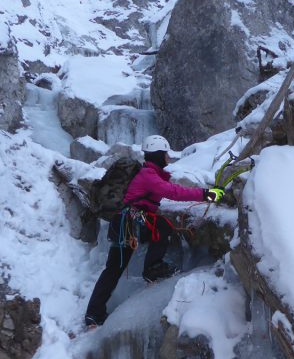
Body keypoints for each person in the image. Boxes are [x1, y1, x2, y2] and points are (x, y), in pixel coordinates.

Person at [84, 135, 224, 327]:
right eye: (165, 153)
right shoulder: (148, 175)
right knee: (161, 226)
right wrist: (206, 194)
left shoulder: (149, 174)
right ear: (158, 155)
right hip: (130, 221)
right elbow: (173, 192)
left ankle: (94, 314)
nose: (168, 157)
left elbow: (168, 191)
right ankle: (152, 269)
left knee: (114, 269)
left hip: (125, 223)